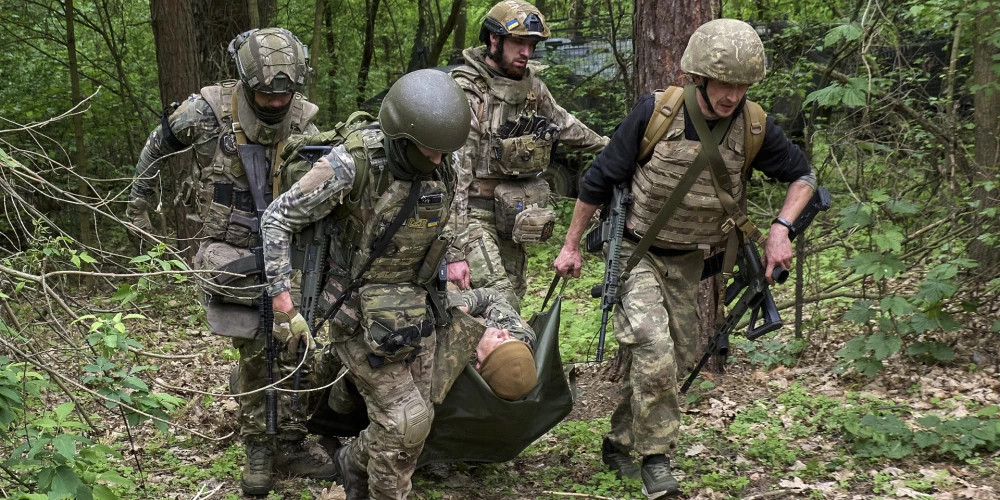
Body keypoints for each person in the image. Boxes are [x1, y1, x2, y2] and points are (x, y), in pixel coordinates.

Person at [552, 19, 817, 499]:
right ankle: (657, 462)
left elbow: (803, 177)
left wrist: (781, 229)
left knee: (671, 361)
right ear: (699, 76)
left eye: (742, 85)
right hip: (636, 253)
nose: (732, 95)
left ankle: (619, 442)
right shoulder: (657, 112)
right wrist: (570, 246)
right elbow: (597, 180)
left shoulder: (755, 126)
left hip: (693, 263)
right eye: (724, 83)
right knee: (653, 347)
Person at [124, 27, 332, 495]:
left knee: (299, 336)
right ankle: (260, 443)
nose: (276, 103)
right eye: (265, 95)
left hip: (286, 244)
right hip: (227, 245)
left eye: (285, 95)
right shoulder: (206, 111)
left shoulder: (304, 121)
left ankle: (293, 439)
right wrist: (139, 204)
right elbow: (157, 145)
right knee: (258, 336)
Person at [260, 68, 472, 500]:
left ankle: (352, 464)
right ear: (401, 136)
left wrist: (455, 259)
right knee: (405, 421)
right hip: (355, 310)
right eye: (428, 150)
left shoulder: (445, 161)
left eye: (443, 151)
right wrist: (283, 300)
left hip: (417, 306)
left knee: (419, 420)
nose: (437, 159)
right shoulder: (351, 164)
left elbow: (452, 217)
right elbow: (277, 218)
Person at [446, 0, 610, 309]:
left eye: (531, 44)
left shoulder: (532, 87)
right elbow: (455, 180)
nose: (527, 52)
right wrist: (453, 251)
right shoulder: (467, 92)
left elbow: (565, 125)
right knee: (498, 300)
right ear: (494, 39)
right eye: (519, 42)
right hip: (472, 216)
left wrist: (611, 147)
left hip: (513, 214)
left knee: (515, 296)